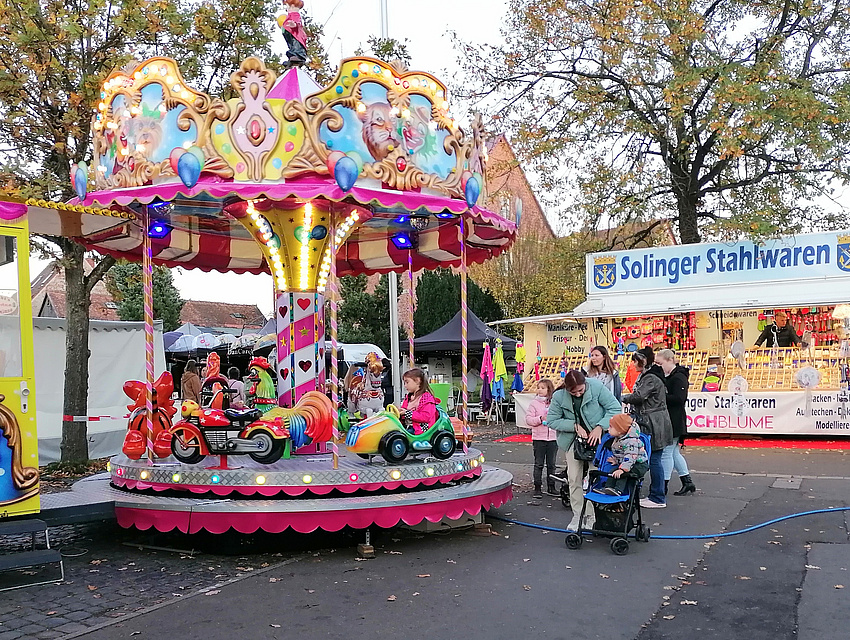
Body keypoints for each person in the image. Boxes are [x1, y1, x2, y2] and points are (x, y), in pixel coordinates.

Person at [547, 370, 622, 531]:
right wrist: (574, 426)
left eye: (581, 390)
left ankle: (592, 515)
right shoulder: (559, 396)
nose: (578, 394)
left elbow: (615, 408)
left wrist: (600, 427)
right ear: (567, 389)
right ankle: (578, 515)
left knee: (595, 478)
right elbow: (552, 420)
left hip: (598, 440)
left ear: (585, 384)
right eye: (573, 392)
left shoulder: (596, 386)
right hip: (573, 441)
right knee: (574, 478)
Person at [622, 351, 673, 509]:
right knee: (653, 459)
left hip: (653, 423)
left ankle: (657, 497)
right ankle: (656, 494)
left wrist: (623, 398)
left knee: (654, 459)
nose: (633, 364)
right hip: (655, 421)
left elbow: (639, 396)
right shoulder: (651, 375)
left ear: (643, 361)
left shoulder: (650, 377)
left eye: (635, 361)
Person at [655, 349, 696, 495]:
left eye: (660, 363)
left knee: (667, 453)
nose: (658, 367)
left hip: (674, 419)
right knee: (673, 452)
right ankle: (687, 481)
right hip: (673, 418)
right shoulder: (672, 376)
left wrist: (660, 397)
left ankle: (663, 485)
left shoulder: (678, 377)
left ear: (670, 360)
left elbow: (679, 398)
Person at [599, 413, 649, 496]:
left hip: (639, 465)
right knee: (613, 471)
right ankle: (608, 488)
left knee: (622, 474)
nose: (608, 429)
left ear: (620, 430)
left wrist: (622, 469)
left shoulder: (631, 442)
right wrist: (616, 460)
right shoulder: (620, 439)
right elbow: (623, 455)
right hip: (630, 463)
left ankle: (618, 490)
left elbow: (630, 456)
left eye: (611, 427)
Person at [525, 379, 557, 498]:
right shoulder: (534, 403)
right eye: (538, 388)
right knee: (539, 464)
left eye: (543, 388)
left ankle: (551, 486)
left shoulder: (554, 403)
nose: (540, 390)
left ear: (549, 389)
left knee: (551, 464)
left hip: (553, 438)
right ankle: (537, 487)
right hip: (539, 438)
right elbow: (528, 420)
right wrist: (539, 418)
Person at [400, 368, 438, 435]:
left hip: (419, 429)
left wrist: (407, 413)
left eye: (407, 382)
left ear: (417, 381)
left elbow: (426, 417)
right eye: (404, 383)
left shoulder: (427, 399)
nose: (405, 385)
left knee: (401, 436)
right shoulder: (408, 398)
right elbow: (404, 411)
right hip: (408, 427)